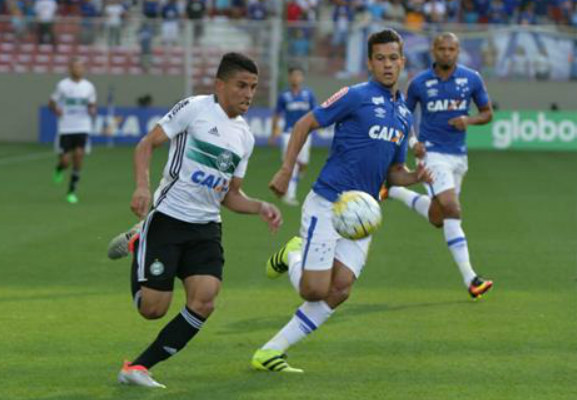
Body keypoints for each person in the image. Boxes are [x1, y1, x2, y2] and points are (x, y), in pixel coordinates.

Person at [250, 29, 432, 373]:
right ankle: (292, 253)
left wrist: (414, 177)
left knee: (341, 288)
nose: (388, 64)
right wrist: (287, 169)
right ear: (369, 63)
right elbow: (305, 123)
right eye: (380, 58)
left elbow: (393, 172)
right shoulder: (355, 95)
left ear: (403, 62)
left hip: (361, 216)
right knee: (315, 290)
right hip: (328, 203)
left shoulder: (405, 115)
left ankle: (270, 351)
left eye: (394, 58)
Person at [117, 52, 282, 388]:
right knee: (152, 309)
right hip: (168, 218)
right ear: (220, 85)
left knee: (205, 299)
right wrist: (142, 186)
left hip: (206, 226)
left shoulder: (244, 138)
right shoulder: (194, 108)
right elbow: (146, 145)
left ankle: (138, 367)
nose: (249, 94)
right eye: (241, 85)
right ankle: (139, 242)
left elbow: (230, 195)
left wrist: (260, 207)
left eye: (253, 87)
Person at [383, 32, 494, 299]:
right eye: (442, 49)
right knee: (452, 209)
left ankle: (394, 191)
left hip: (458, 157)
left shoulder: (471, 78)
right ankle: (471, 278)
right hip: (431, 155)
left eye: (451, 49)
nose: (446, 53)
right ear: (434, 51)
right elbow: (404, 117)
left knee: (438, 217)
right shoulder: (420, 82)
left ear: (458, 51)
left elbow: (487, 113)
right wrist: (412, 144)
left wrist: (467, 121)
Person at [50, 59, 97, 204]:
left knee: (78, 156)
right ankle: (59, 168)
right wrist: (55, 109)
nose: (78, 70)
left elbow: (92, 104)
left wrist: (92, 110)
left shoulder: (88, 87)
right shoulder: (62, 85)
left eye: (80, 67)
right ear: (70, 69)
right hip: (66, 127)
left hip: (82, 126)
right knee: (65, 161)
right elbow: (52, 101)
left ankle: (71, 191)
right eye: (75, 67)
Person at [269, 66, 317, 206]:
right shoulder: (284, 95)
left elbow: (315, 112)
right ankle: (290, 194)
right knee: (292, 163)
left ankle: (297, 174)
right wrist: (273, 133)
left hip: (305, 134)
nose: (296, 78)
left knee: (303, 163)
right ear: (290, 78)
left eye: (298, 75)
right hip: (288, 133)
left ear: (302, 78)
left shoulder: (308, 94)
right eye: (293, 75)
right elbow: (277, 114)